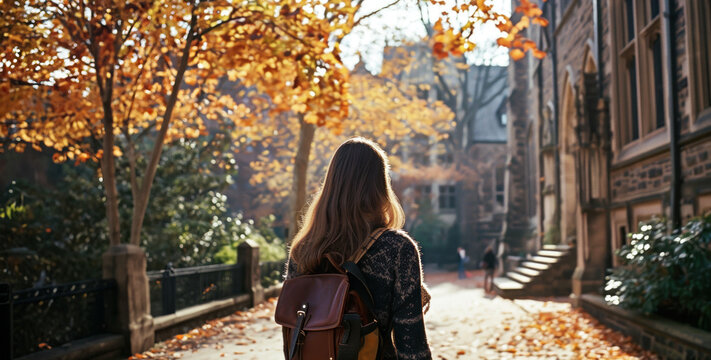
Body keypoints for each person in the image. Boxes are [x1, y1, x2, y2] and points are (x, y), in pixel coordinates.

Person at [286, 137, 432, 360]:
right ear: (381, 187)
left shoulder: (303, 250)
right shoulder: (397, 249)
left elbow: (294, 338)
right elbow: (411, 346)